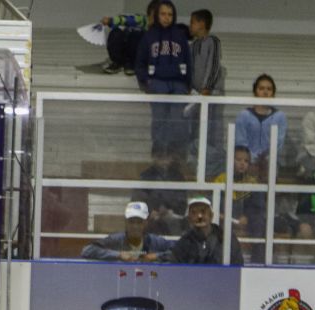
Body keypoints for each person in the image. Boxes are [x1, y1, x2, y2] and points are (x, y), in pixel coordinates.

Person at [135, 1, 192, 164]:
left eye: (170, 14)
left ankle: (176, 154)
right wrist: (146, 80)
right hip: (158, 82)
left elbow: (188, 61)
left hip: (178, 83)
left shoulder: (180, 36)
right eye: (163, 14)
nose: (166, 18)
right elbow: (139, 63)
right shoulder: (149, 36)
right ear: (157, 15)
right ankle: (159, 153)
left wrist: (188, 83)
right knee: (159, 118)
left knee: (177, 119)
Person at [83, 200, 177, 261]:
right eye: (131, 222)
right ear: (126, 222)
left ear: (146, 223)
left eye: (139, 222)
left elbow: (179, 252)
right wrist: (118, 255)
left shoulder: (155, 241)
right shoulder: (115, 240)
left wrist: (156, 256)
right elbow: (87, 250)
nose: (135, 226)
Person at [235, 74, 289, 170]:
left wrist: (265, 160)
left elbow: (278, 144)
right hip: (247, 163)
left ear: (273, 93)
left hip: (270, 164)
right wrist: (251, 159)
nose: (265, 92)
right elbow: (240, 142)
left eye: (269, 89)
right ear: (255, 92)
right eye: (261, 88)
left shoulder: (280, 117)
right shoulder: (244, 115)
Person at [171, 193, 242, 264]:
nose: (199, 216)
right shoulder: (183, 243)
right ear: (189, 218)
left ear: (211, 216)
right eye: (194, 213)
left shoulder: (227, 239)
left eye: (203, 211)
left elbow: (238, 264)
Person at [188, 8, 223, 97]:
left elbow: (213, 65)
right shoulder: (192, 46)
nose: (190, 26)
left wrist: (206, 87)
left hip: (211, 93)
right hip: (196, 94)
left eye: (192, 22)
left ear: (202, 24)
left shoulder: (213, 41)